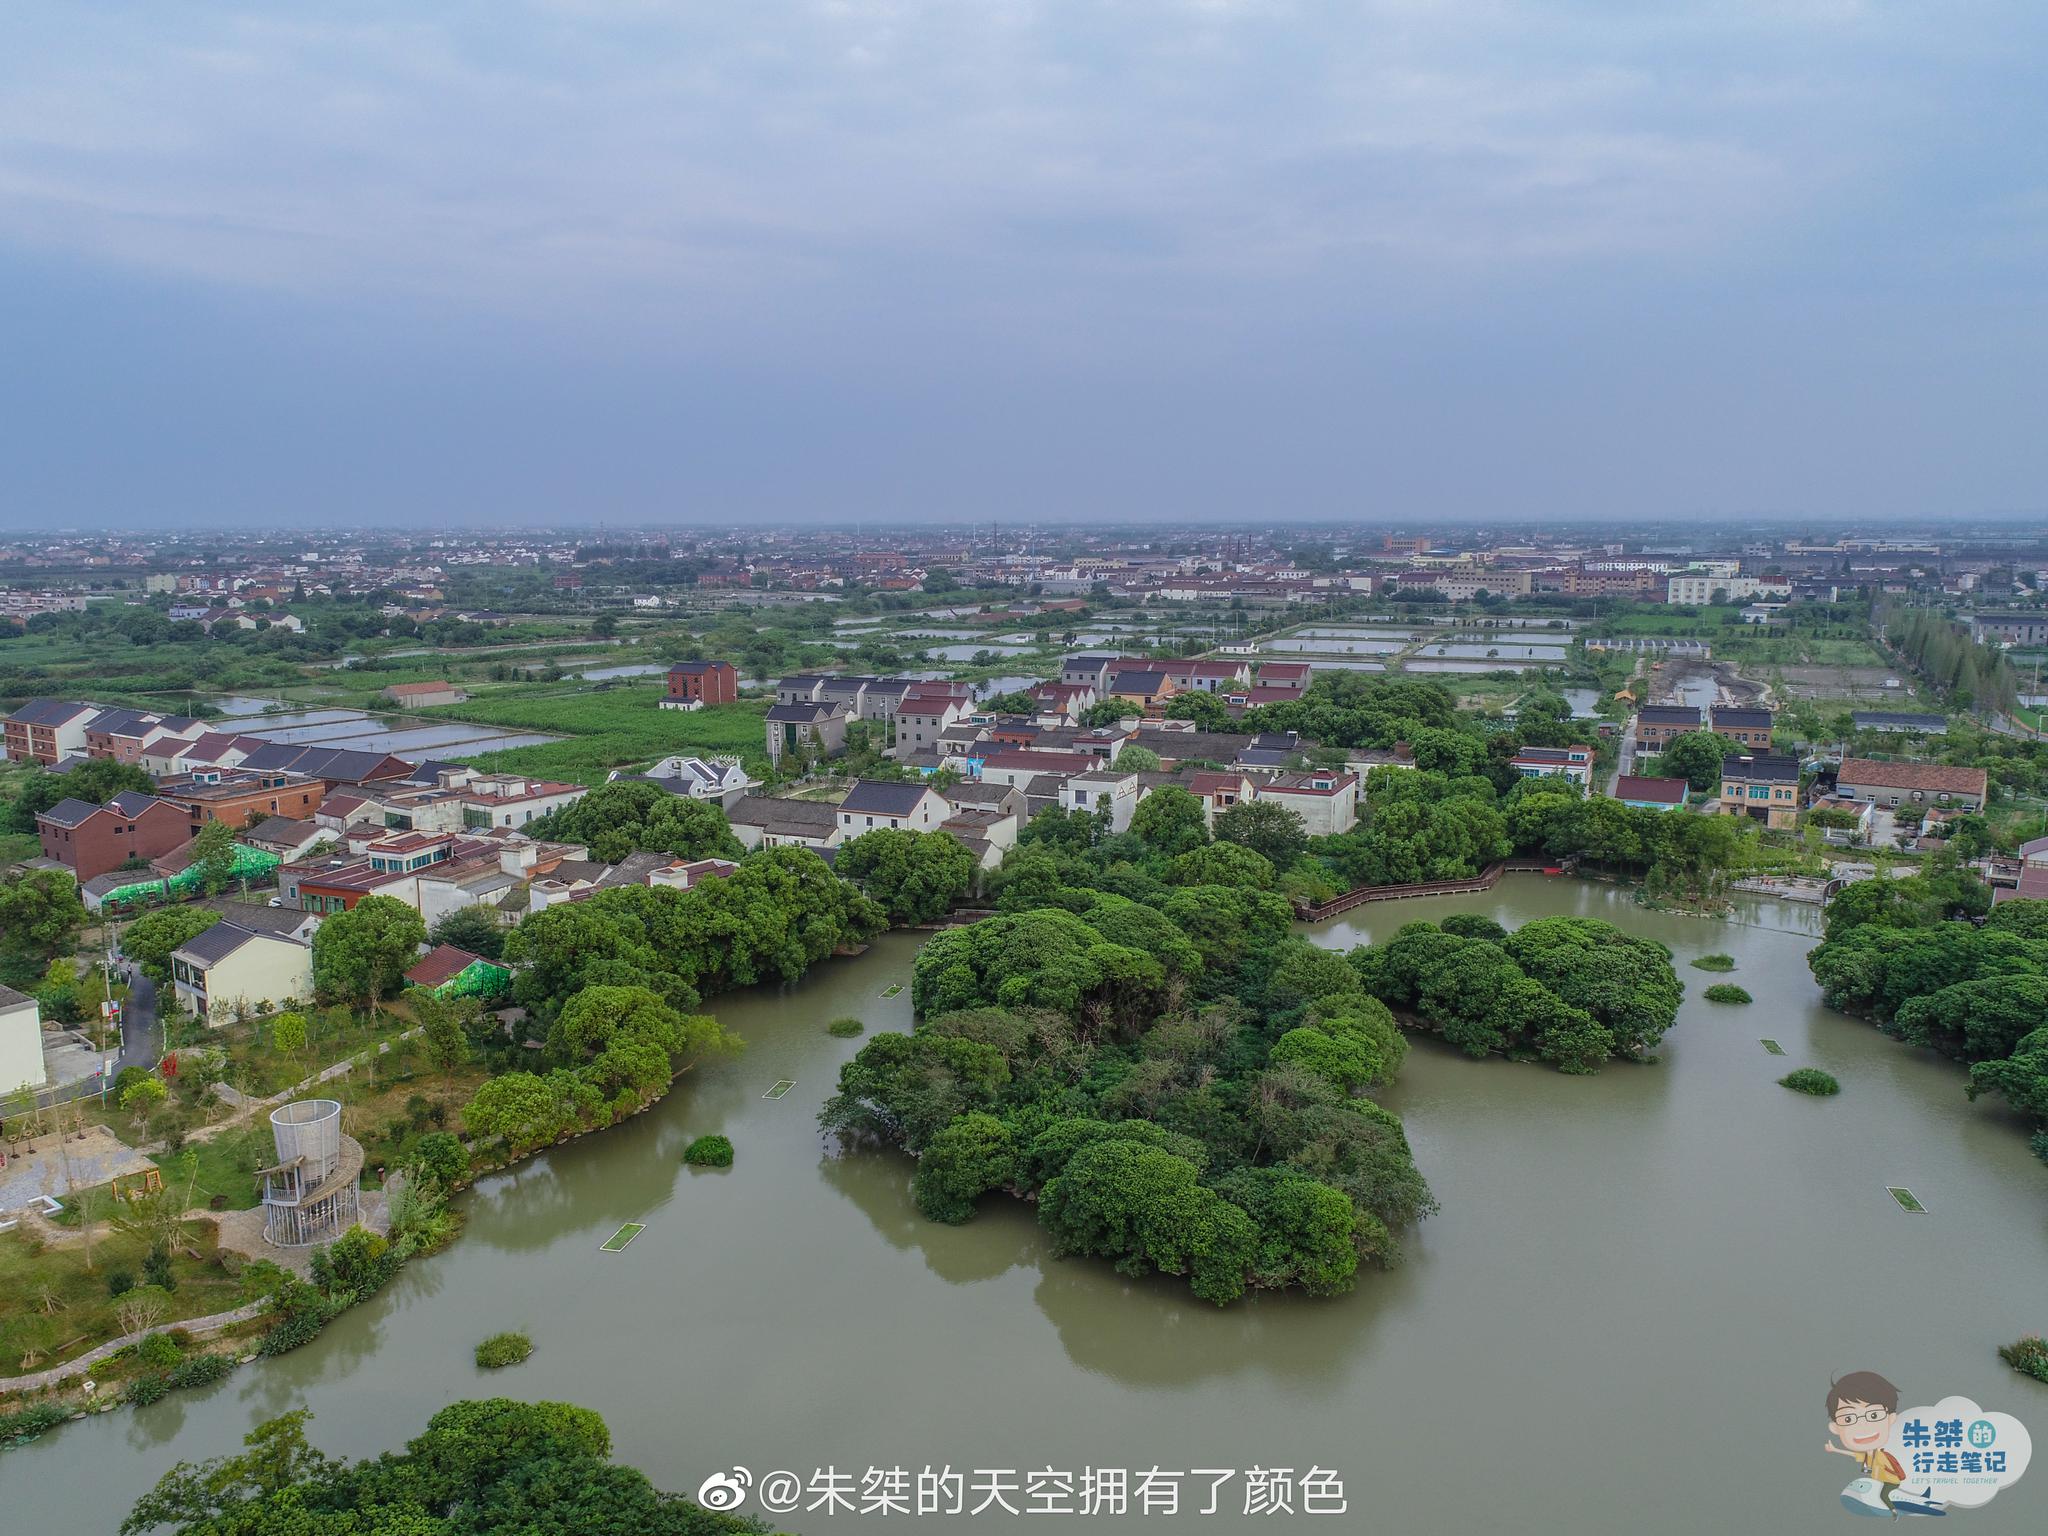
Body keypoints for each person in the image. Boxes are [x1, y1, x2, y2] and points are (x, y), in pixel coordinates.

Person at [1824, 1371, 1906, 1515]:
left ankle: (1893, 1510)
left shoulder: (1881, 1455)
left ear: (1891, 1418)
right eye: (1848, 1418)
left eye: (1873, 1415)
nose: (1863, 1426)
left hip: (1891, 1482)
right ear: (1835, 1427)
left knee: (1882, 1495)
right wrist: (1835, 1449)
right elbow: (1852, 1454)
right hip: (1879, 1482)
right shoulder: (1868, 1457)